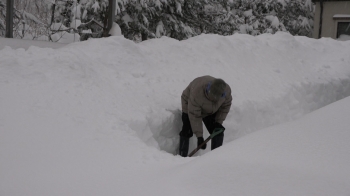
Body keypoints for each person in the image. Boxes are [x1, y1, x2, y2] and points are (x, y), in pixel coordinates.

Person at [179, 75, 232, 157]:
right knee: (187, 130)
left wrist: (218, 122)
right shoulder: (197, 93)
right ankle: (181, 156)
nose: (214, 100)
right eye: (211, 98)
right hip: (189, 103)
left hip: (209, 110)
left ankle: (215, 158)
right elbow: (195, 115)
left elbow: (225, 106)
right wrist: (199, 137)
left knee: (217, 132)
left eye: (216, 99)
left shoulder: (226, 92)